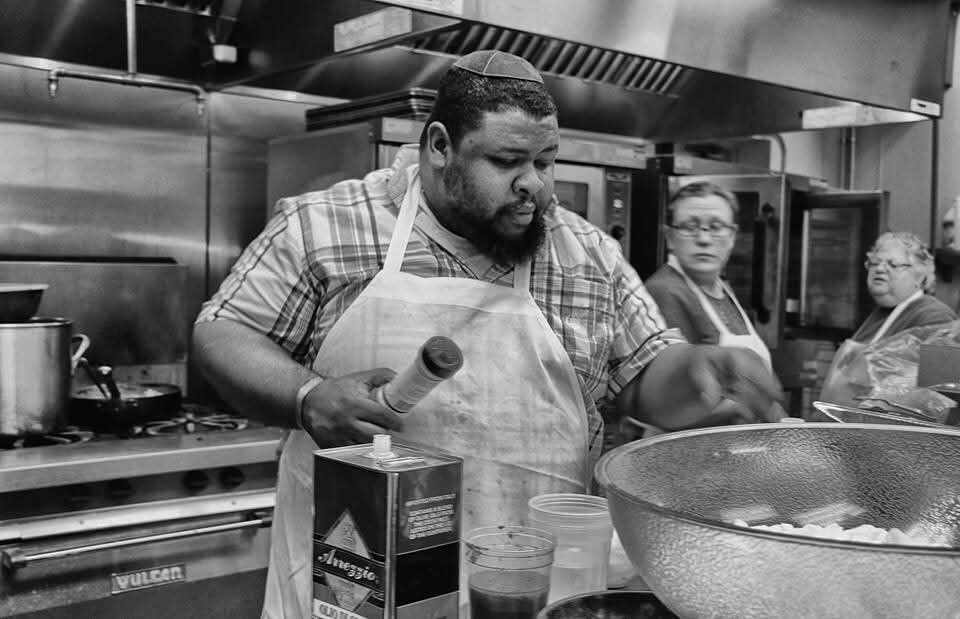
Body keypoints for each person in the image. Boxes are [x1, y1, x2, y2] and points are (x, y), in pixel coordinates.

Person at [192, 49, 783, 619]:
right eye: (507, 162)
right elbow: (223, 332)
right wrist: (306, 397)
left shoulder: (588, 255)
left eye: (547, 162)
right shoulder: (323, 226)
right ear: (440, 147)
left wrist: (704, 375)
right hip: (355, 582)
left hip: (532, 586)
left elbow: (648, 377)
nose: (535, 186)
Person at [644, 181, 771, 369]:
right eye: (689, 227)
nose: (704, 239)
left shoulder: (719, 287)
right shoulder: (665, 292)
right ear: (670, 237)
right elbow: (676, 384)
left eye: (716, 227)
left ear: (732, 237)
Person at [820, 231, 957, 403]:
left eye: (893, 264)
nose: (880, 268)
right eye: (875, 262)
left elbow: (942, 392)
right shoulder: (880, 314)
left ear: (920, 276)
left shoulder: (936, 317)